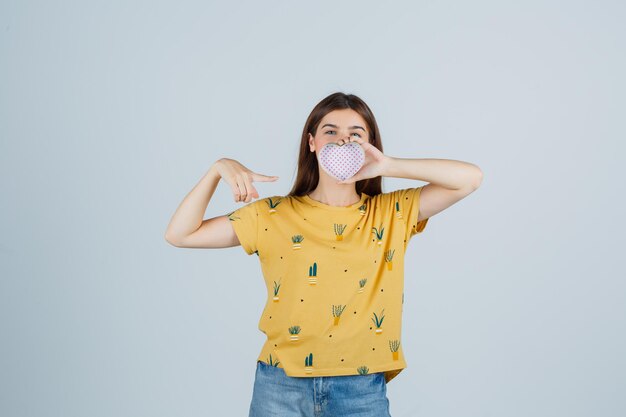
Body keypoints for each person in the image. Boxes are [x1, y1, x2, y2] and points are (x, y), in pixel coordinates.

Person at [164, 92, 483, 417]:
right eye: (331, 131)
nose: (343, 141)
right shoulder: (273, 214)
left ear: (369, 145)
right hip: (280, 385)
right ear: (312, 142)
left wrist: (389, 165)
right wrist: (218, 169)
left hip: (361, 388)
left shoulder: (392, 213)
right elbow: (181, 234)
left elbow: (470, 179)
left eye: (355, 135)